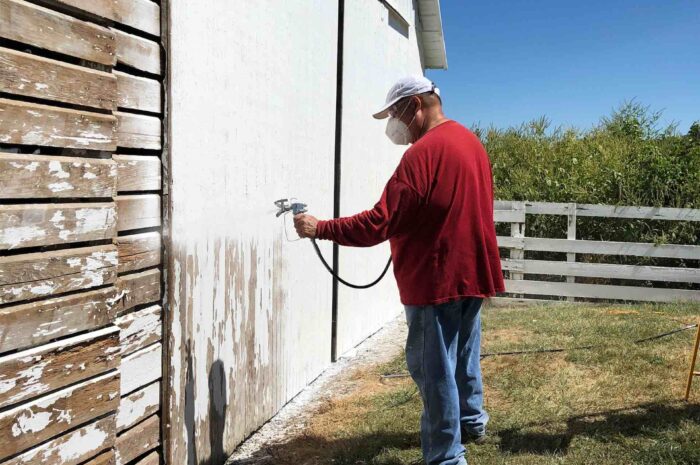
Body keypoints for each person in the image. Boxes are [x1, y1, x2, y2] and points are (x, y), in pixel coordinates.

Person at [294, 76, 504, 465]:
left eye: (394, 114)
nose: (394, 123)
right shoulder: (471, 143)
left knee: (435, 371)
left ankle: (446, 457)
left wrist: (321, 228)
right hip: (472, 272)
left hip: (434, 280)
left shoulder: (421, 155)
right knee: (463, 358)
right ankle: (473, 423)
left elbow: (379, 221)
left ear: (415, 106)